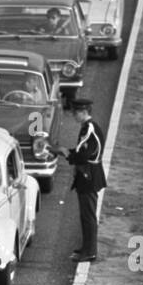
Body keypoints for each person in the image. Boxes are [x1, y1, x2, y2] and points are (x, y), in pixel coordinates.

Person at [55, 99, 107, 263]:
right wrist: (66, 152)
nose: (73, 115)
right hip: (87, 174)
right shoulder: (87, 127)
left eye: (75, 112)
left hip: (89, 175)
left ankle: (90, 251)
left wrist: (67, 153)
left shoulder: (89, 128)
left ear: (84, 112)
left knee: (89, 216)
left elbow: (83, 155)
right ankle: (86, 247)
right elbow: (81, 152)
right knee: (85, 215)